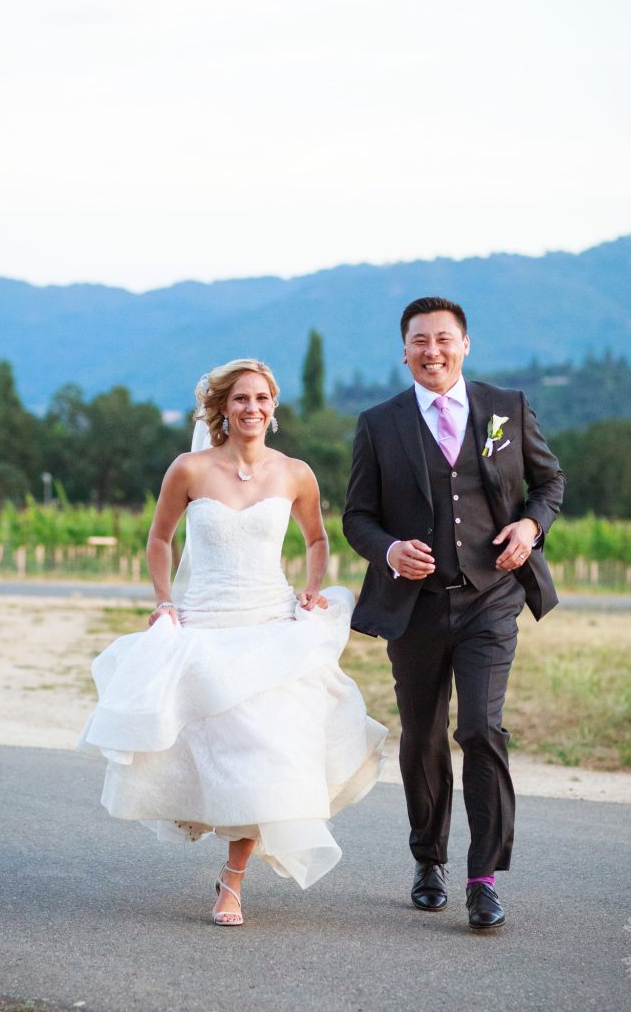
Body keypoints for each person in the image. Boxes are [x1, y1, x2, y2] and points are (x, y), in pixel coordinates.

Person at [78, 358, 386, 926]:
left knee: (270, 750)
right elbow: (161, 539)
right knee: (217, 748)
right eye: (241, 399)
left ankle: (233, 881)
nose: (253, 409)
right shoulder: (190, 469)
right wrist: (165, 600)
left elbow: (317, 539)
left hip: (271, 624)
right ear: (222, 407)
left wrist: (313, 591)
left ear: (274, 409)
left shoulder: (296, 473)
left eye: (263, 399)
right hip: (207, 621)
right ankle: (212, 832)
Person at [342, 297, 564, 930]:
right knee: (422, 736)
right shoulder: (378, 424)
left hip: (491, 599)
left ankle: (483, 876)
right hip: (414, 608)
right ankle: (428, 859)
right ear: (404, 350)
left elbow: (551, 484)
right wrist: (388, 548)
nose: (432, 350)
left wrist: (530, 523)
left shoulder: (507, 408)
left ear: (466, 345)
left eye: (443, 339)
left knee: (482, 731)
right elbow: (357, 515)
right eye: (419, 340)